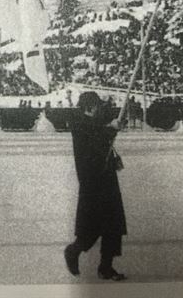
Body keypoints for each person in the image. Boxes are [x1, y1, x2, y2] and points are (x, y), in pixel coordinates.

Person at [64, 91, 127, 281]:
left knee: (113, 225)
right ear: (89, 107)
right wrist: (110, 129)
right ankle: (73, 251)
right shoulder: (80, 124)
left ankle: (105, 267)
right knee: (93, 226)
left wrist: (113, 129)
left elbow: (101, 137)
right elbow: (93, 141)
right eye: (97, 105)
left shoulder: (95, 123)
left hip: (105, 178)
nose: (100, 108)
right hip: (93, 181)